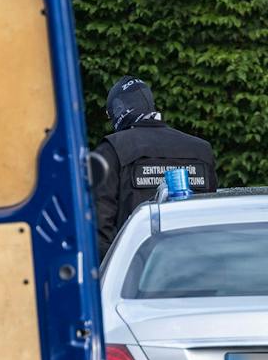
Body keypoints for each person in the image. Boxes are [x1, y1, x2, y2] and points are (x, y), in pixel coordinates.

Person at [91, 76, 218, 259]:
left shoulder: (112, 149)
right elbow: (213, 218)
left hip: (139, 277)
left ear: (119, 109)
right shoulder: (201, 150)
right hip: (197, 267)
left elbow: (99, 232)